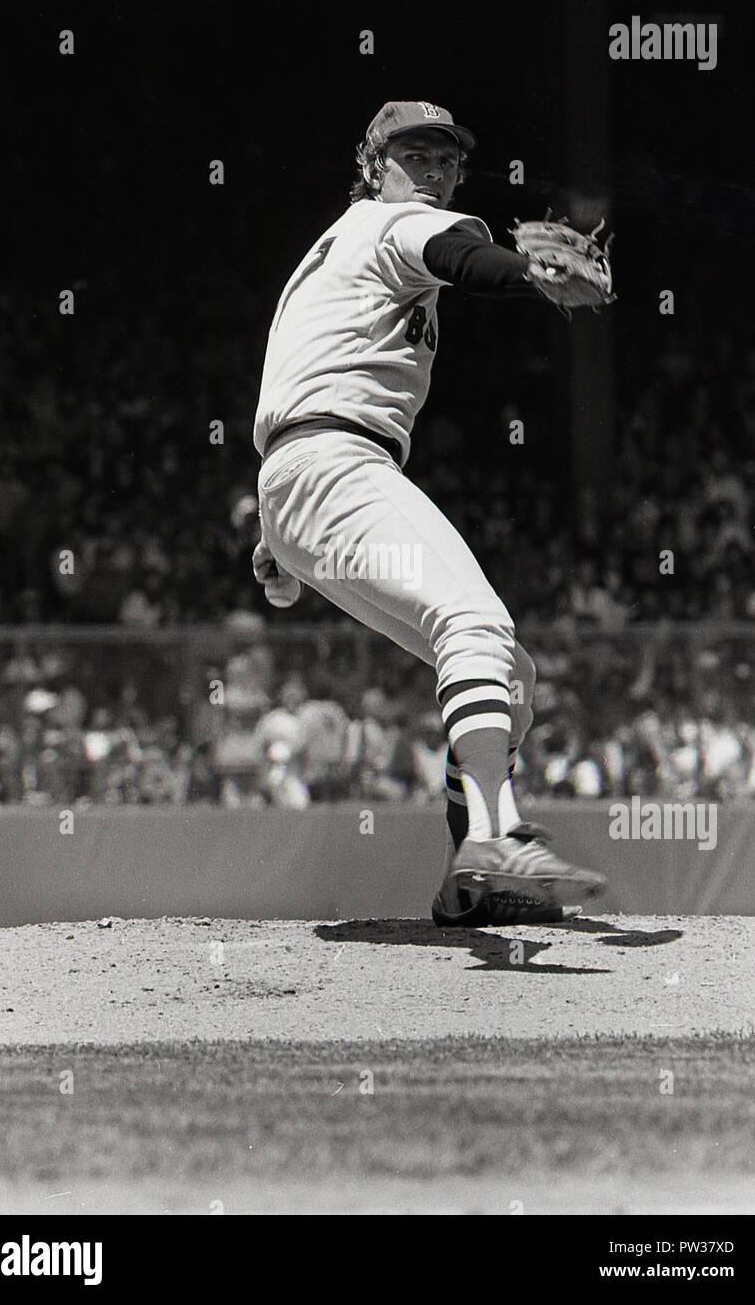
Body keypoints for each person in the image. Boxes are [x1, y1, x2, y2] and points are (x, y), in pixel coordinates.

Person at [252, 100, 607, 926]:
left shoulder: (332, 251)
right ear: (372, 165)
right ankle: (495, 834)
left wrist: (278, 536)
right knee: (475, 624)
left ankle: (471, 884)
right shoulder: (387, 224)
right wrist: (528, 273)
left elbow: (300, 380)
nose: (437, 171)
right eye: (414, 153)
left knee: (510, 674)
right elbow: (457, 254)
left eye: (447, 159)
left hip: (306, 473)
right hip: (332, 464)